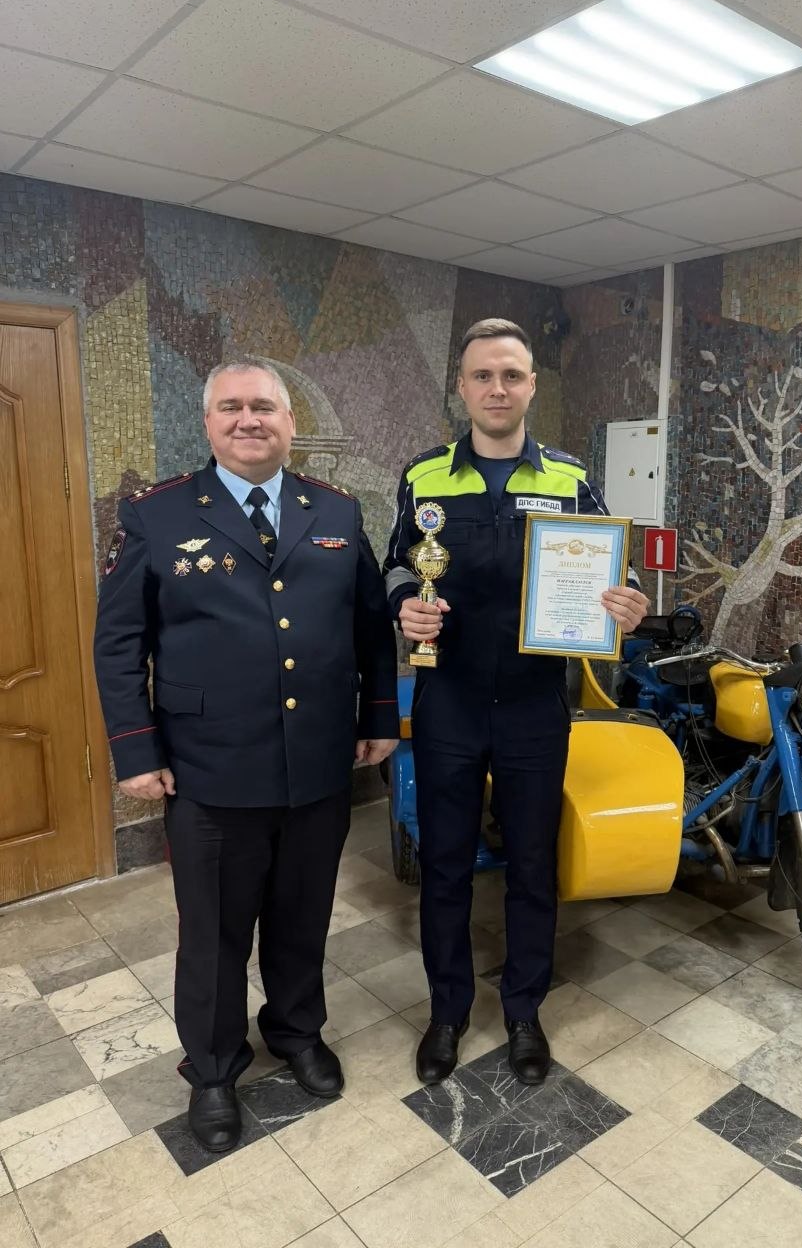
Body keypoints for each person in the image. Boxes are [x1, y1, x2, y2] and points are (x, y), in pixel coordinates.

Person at [94, 359, 398, 1153]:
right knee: (215, 933)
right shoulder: (157, 514)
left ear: (290, 422)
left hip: (317, 762)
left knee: (303, 915)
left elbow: (371, 627)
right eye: (230, 407)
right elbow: (120, 642)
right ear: (208, 423)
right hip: (209, 767)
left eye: (263, 406)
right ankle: (214, 1068)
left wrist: (380, 716)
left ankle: (296, 1030)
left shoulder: (335, 509)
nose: (248, 419)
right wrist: (135, 750)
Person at [383, 319, 649, 1086]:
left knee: (533, 862)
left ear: (532, 385)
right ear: (461, 388)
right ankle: (447, 1012)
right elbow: (396, 563)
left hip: (535, 703)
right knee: (444, 863)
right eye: (482, 376)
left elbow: (614, 568)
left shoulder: (569, 477)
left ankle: (525, 1011)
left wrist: (628, 602)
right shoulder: (424, 476)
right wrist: (403, 605)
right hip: (449, 699)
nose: (496, 389)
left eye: (511, 375)